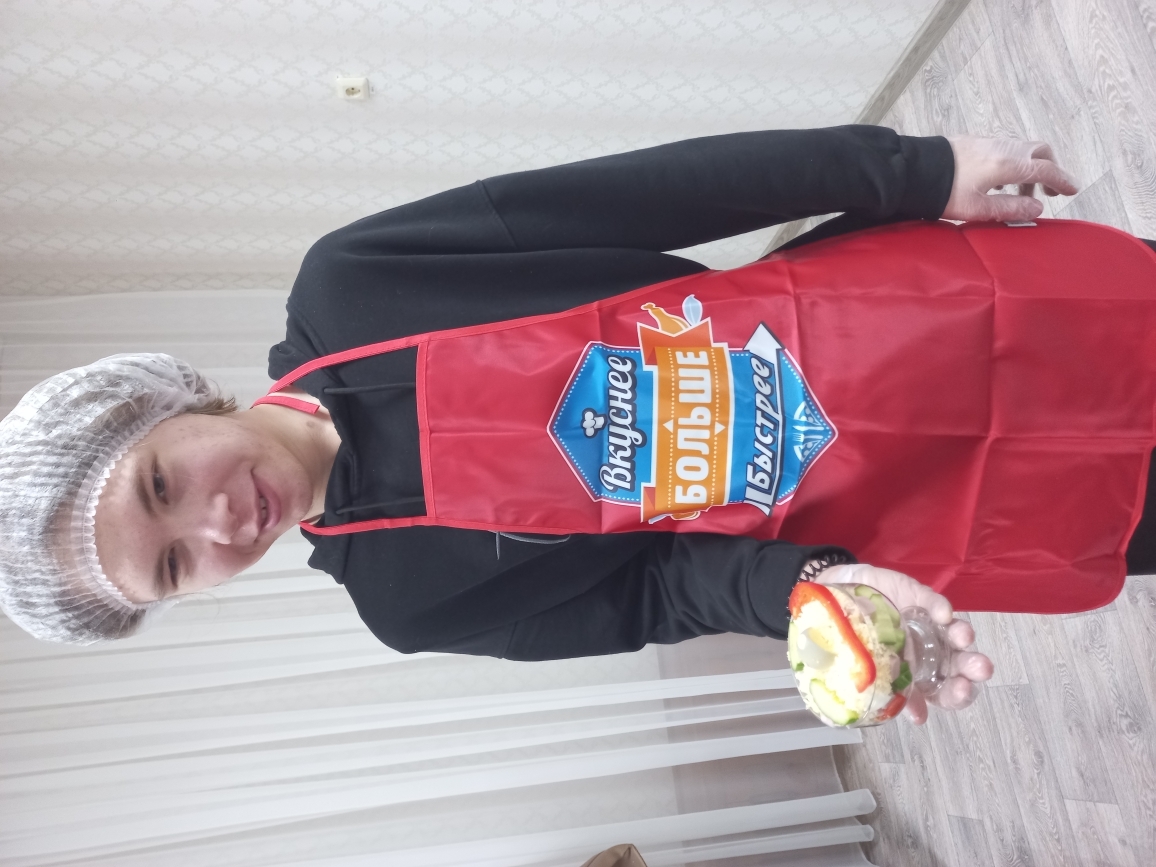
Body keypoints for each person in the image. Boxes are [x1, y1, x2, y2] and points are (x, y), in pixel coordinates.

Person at [6, 126, 1153, 726]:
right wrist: (814, 594)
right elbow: (662, 591)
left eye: (159, 486)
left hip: (941, 317)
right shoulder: (410, 601)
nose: (214, 523)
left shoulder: (357, 286)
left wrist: (909, 171)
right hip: (950, 509)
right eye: (172, 564)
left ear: (165, 407)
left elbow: (655, 192)